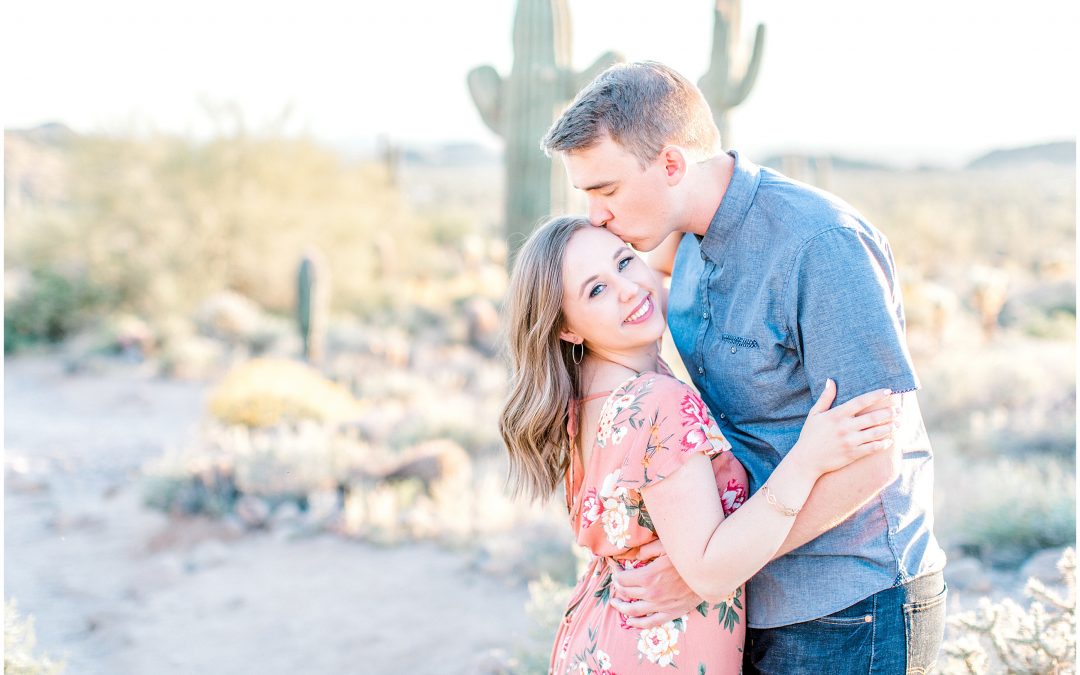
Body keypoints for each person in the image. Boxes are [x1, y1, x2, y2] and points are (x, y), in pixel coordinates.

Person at [541, 62, 947, 674]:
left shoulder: (819, 244)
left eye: (606, 190)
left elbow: (873, 459)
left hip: (851, 606)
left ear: (672, 166)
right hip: (751, 597)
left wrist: (704, 570)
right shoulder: (677, 245)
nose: (596, 215)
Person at [499, 216, 899, 674]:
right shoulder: (656, 401)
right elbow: (709, 571)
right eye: (596, 290)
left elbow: (670, 245)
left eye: (625, 261)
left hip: (599, 642)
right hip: (656, 655)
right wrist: (807, 459)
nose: (628, 289)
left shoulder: (582, 397)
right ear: (566, 328)